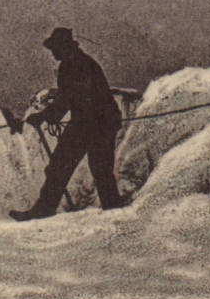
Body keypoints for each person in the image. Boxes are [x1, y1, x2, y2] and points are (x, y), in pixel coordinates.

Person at [10, 28, 124, 220]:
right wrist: (48, 115)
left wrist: (45, 116)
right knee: (81, 166)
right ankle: (112, 208)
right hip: (92, 121)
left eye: (55, 48)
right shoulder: (76, 62)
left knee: (76, 166)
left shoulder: (75, 65)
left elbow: (68, 98)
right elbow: (69, 99)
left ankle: (45, 210)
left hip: (96, 122)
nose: (53, 53)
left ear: (64, 47)